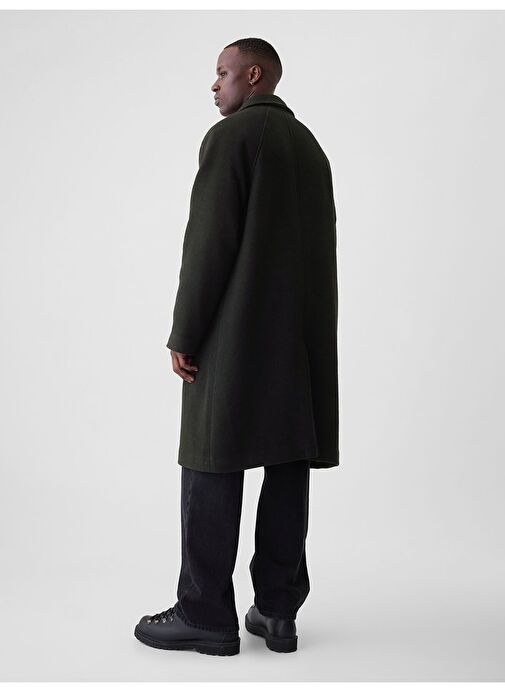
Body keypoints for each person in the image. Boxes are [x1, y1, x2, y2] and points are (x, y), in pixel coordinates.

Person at [134, 37, 339, 656]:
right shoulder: (309, 147)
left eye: (222, 72)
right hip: (299, 343)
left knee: (210, 459)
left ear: (254, 75)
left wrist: (185, 332)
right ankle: (278, 611)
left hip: (236, 333)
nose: (214, 84)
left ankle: (205, 614)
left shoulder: (230, 138)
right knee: (287, 464)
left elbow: (209, 243)